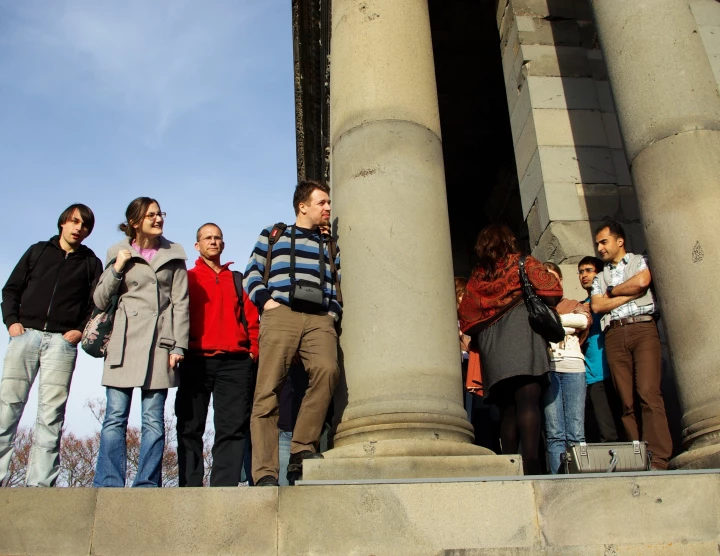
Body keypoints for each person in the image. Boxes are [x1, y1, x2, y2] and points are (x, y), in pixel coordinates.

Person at [243, 179, 341, 486]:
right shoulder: (274, 235)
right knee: (267, 391)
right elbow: (252, 272)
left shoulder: (330, 244)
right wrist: (266, 302)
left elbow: (337, 283)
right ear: (303, 206)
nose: (328, 207)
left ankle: (301, 448)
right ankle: (264, 473)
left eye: (328, 202)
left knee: (327, 371)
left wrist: (332, 312)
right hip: (280, 313)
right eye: (322, 202)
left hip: (318, 319)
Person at [0, 204, 102, 487]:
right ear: (63, 223)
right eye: (74, 221)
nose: (78, 228)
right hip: (25, 335)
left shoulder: (91, 262)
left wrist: (79, 331)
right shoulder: (38, 251)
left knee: (51, 413)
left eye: (84, 225)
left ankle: (39, 485)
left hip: (61, 342)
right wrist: (11, 323)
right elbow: (11, 289)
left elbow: (95, 304)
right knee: (7, 406)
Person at [92, 197, 189, 487]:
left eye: (160, 214)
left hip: (161, 341)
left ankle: (147, 484)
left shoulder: (174, 254)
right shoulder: (116, 251)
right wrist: (117, 268)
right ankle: (109, 482)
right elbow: (99, 299)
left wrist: (179, 346)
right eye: (151, 215)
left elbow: (181, 303)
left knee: (153, 421)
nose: (159, 219)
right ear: (135, 221)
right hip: (123, 341)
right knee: (114, 417)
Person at [458, 224, 562, 475]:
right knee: (528, 402)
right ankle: (532, 465)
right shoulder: (523, 262)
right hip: (523, 334)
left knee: (507, 409)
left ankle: (510, 466)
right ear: (508, 241)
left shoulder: (477, 278)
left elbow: (467, 318)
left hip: (494, 347)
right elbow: (553, 289)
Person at [176, 223, 259, 487]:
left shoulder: (237, 279)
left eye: (218, 238)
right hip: (195, 359)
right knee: (189, 426)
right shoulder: (187, 278)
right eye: (207, 238)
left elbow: (252, 319)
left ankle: (224, 489)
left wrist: (253, 351)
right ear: (197, 245)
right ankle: (189, 486)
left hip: (235, 363)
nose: (213, 241)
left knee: (232, 428)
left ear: (223, 244)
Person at [590, 221, 672, 470]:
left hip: (643, 328)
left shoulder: (640, 261)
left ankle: (658, 458)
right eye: (597, 244)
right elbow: (597, 306)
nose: (600, 248)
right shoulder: (599, 276)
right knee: (626, 400)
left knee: (648, 392)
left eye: (604, 242)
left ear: (619, 241)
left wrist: (612, 291)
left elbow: (642, 282)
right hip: (614, 335)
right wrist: (629, 292)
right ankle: (637, 458)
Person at [542, 262, 592, 474]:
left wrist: (552, 322)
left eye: (553, 277)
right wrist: (566, 325)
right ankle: (557, 480)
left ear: (560, 280)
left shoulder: (572, 303)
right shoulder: (539, 308)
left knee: (576, 431)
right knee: (554, 432)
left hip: (574, 367)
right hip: (549, 367)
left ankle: (580, 478)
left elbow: (583, 320)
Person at [577, 256, 621, 443]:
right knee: (607, 431)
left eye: (588, 270)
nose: (584, 275)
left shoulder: (607, 299)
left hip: (615, 368)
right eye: (580, 272)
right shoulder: (579, 306)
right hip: (594, 375)